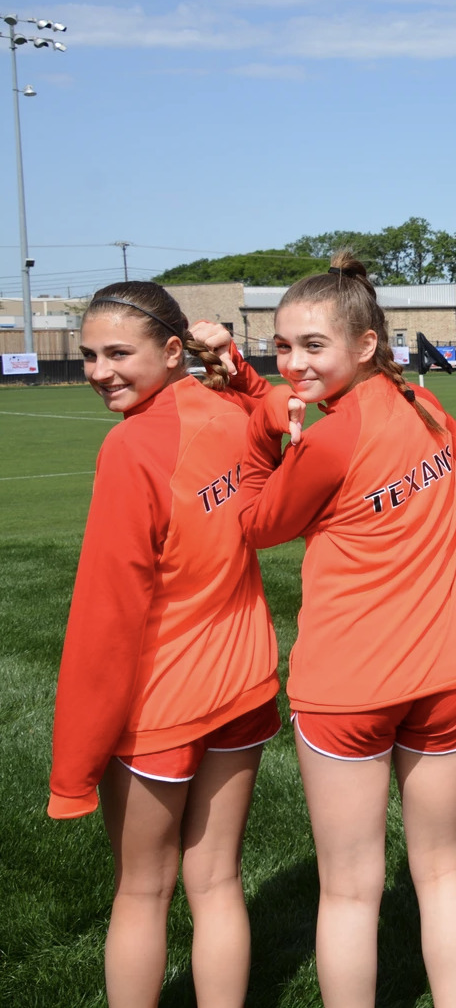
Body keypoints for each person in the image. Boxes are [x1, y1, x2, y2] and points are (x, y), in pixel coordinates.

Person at [236, 253, 456, 1008]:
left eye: (313, 346)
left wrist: (258, 434)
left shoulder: (329, 438)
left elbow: (255, 524)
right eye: (281, 347)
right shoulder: (427, 407)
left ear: (366, 344)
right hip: (446, 675)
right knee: (444, 871)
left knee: (349, 890)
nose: (292, 363)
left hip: (348, 685)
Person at [49, 282, 281, 1008]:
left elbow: (107, 617)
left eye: (119, 353)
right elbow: (271, 409)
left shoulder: (132, 446)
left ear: (172, 350)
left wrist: (72, 768)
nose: (98, 370)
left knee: (142, 891)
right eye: (88, 355)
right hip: (244, 681)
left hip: (164, 702)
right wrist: (235, 363)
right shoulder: (233, 411)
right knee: (216, 883)